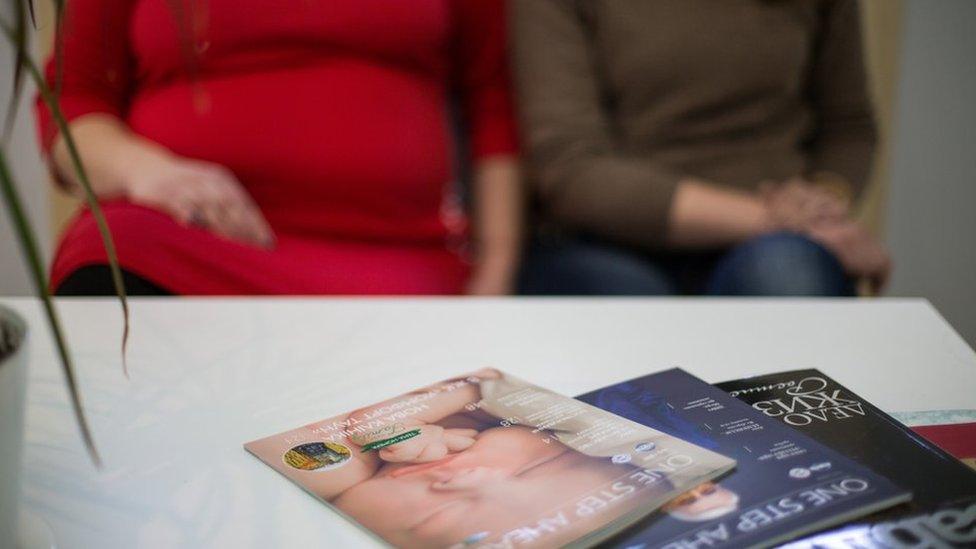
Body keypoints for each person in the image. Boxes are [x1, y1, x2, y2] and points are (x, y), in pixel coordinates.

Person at [38, 0, 520, 296]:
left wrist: (495, 271)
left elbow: (492, 104)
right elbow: (71, 101)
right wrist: (145, 171)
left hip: (395, 258)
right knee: (108, 254)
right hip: (193, 243)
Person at [512, 0, 890, 296]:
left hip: (777, 240)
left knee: (788, 273)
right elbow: (569, 166)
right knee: (629, 311)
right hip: (603, 237)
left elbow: (847, 125)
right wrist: (788, 220)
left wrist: (822, 203)